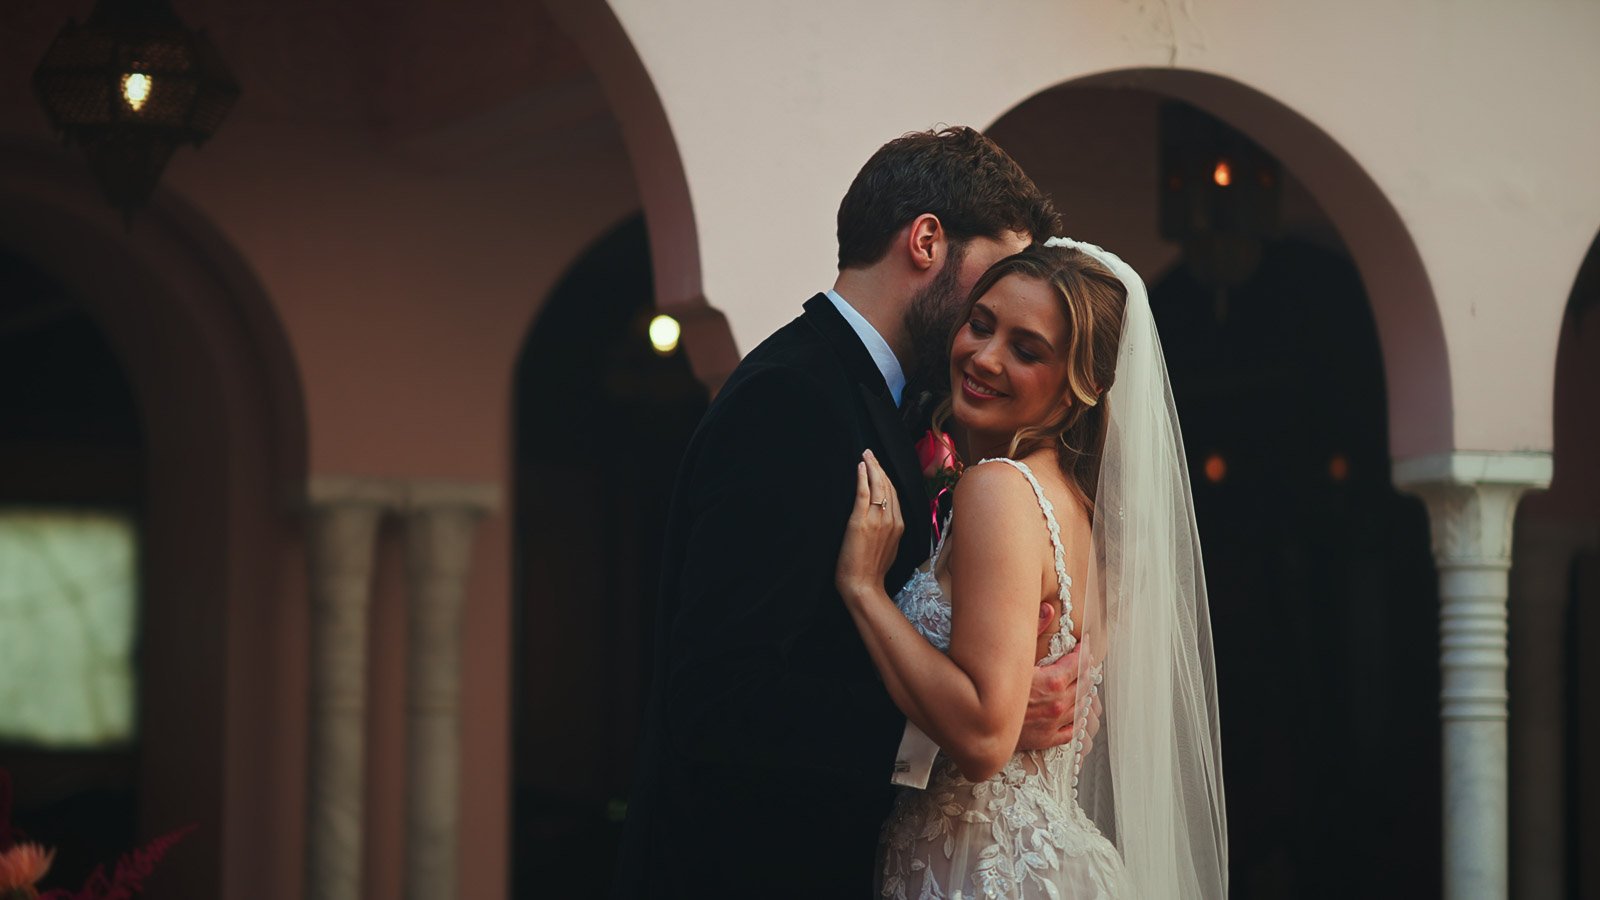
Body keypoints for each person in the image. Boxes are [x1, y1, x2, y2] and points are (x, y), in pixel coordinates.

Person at [612, 128, 1097, 898]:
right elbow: (719, 700)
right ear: (928, 241)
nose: (994, 301)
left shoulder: (878, 402)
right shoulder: (792, 400)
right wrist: (949, 731)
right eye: (994, 272)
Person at [836, 240, 1228, 899]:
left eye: (1027, 349)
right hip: (1053, 861)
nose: (984, 357)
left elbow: (986, 738)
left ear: (1086, 387)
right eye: (981, 324)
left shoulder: (998, 489)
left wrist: (863, 590)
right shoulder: (1087, 514)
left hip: (982, 871)